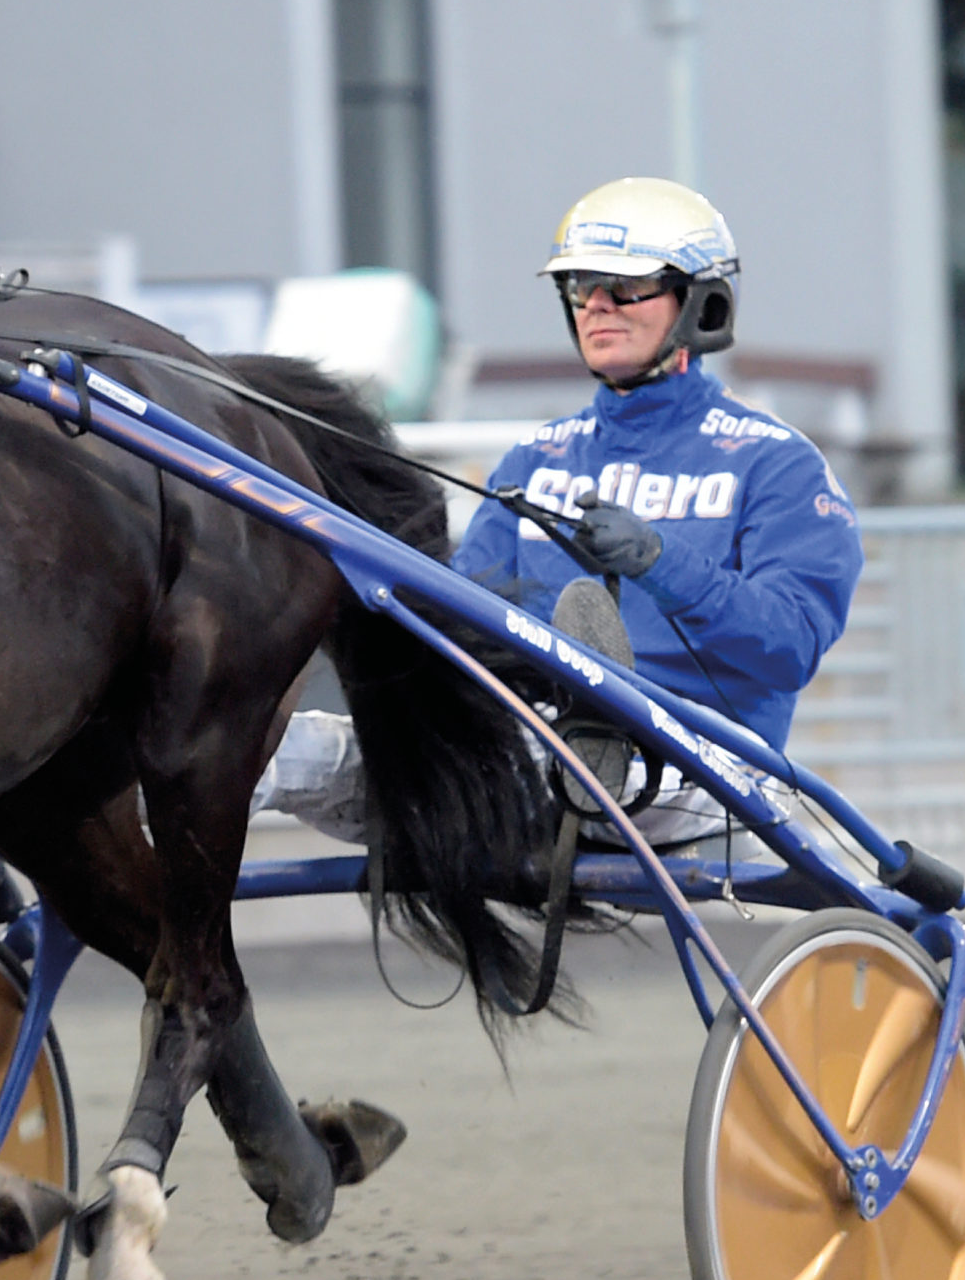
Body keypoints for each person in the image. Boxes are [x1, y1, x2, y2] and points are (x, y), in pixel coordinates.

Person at [258, 176, 864, 846]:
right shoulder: (533, 460)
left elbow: (787, 649)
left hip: (708, 770)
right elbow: (464, 629)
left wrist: (659, 562)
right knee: (270, 747)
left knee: (526, 755)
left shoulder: (777, 463)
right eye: (581, 287)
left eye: (624, 286)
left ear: (700, 301)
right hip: (530, 746)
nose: (596, 305)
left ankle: (564, 749)